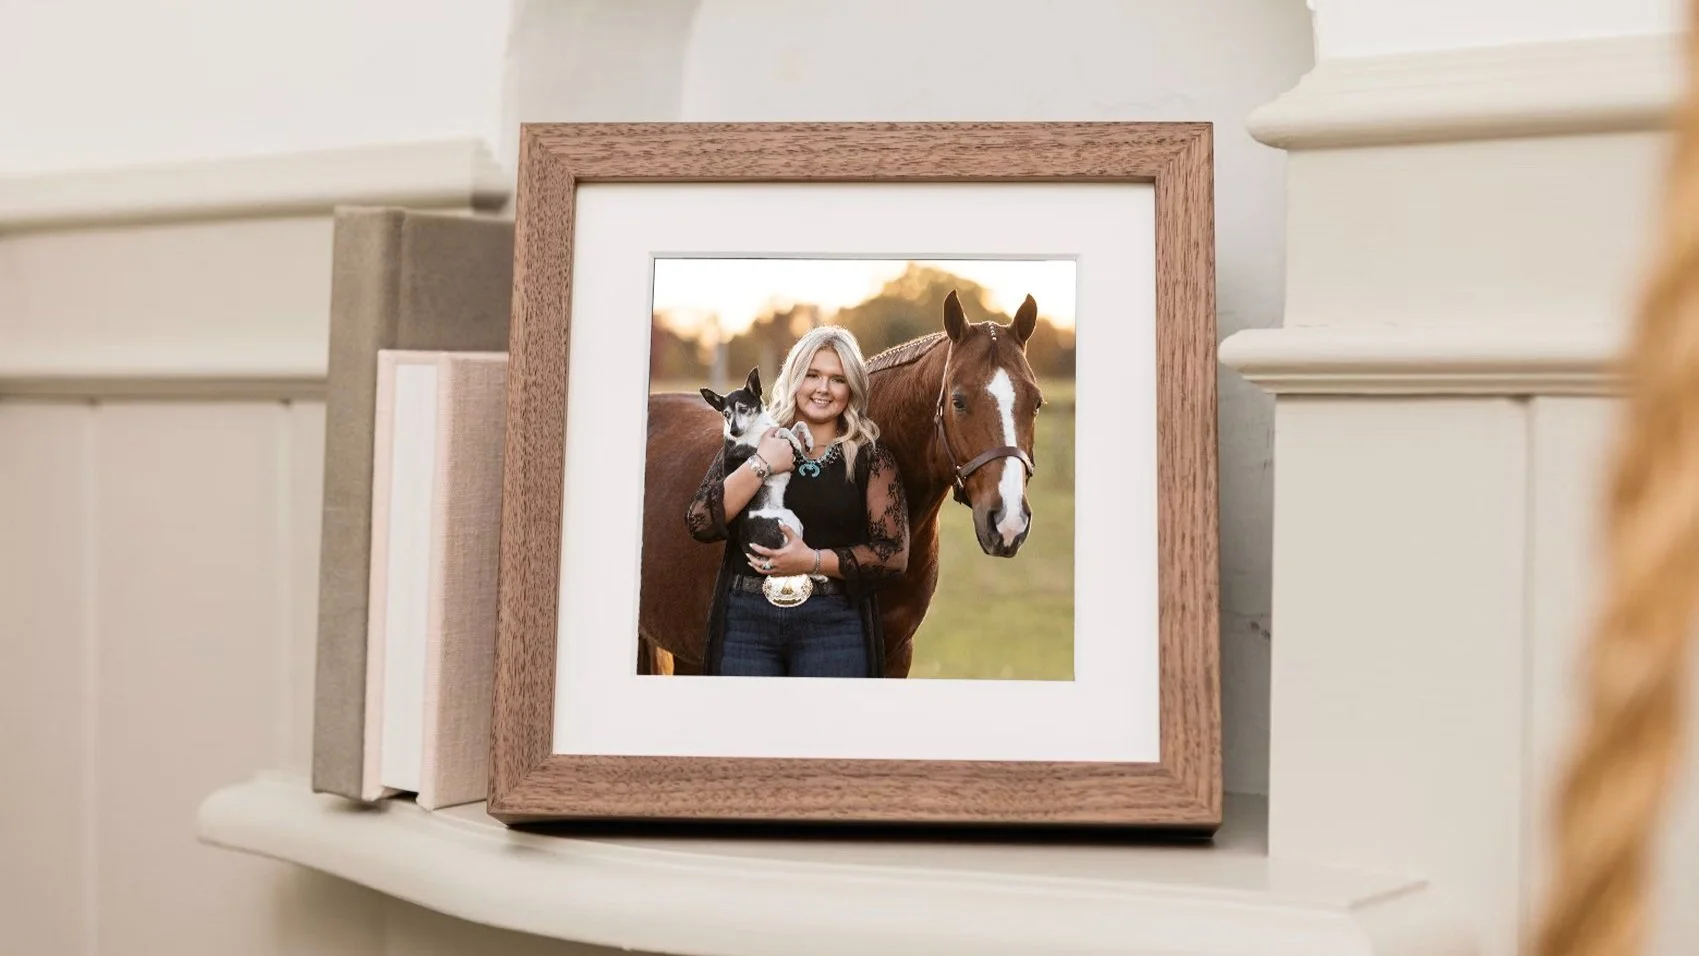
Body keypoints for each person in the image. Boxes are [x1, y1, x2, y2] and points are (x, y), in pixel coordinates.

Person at [684, 325, 909, 677]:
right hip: (747, 621)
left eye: (837, 379)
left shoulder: (870, 458)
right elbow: (700, 522)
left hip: (833, 624)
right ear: (794, 378)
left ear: (852, 387)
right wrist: (762, 464)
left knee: (829, 732)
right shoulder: (754, 441)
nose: (822, 388)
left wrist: (812, 560)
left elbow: (892, 555)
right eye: (812, 375)